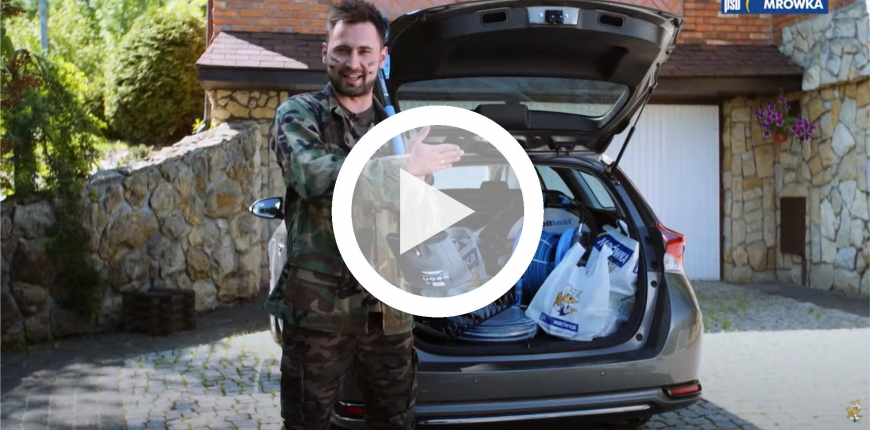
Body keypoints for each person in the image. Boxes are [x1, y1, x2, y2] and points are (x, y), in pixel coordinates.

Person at [264, 1, 464, 429]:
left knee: (395, 421)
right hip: (318, 313)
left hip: (389, 314)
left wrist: (424, 182)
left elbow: (420, 215)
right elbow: (315, 177)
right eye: (342, 50)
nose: (353, 63)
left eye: (364, 52)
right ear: (325, 52)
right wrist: (403, 168)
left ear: (382, 57)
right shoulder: (299, 115)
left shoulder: (400, 131)